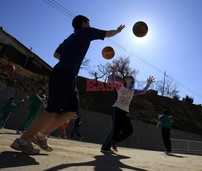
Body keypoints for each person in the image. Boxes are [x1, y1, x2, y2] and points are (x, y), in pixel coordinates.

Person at [10, 15, 125, 155]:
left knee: (71, 110)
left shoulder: (69, 39)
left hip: (67, 74)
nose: (89, 24)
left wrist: (69, 59)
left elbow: (55, 54)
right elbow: (107, 33)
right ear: (84, 23)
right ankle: (22, 140)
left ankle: (41, 136)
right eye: (88, 22)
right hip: (64, 74)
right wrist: (118, 31)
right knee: (53, 110)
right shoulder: (86, 32)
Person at [101, 65, 155, 153]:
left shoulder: (133, 91)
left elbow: (143, 91)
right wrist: (114, 72)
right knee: (116, 129)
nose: (130, 78)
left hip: (125, 112)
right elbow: (111, 81)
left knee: (129, 130)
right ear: (125, 80)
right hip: (117, 109)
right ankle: (105, 147)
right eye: (128, 77)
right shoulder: (120, 86)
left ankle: (114, 142)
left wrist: (148, 83)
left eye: (131, 78)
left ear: (133, 81)